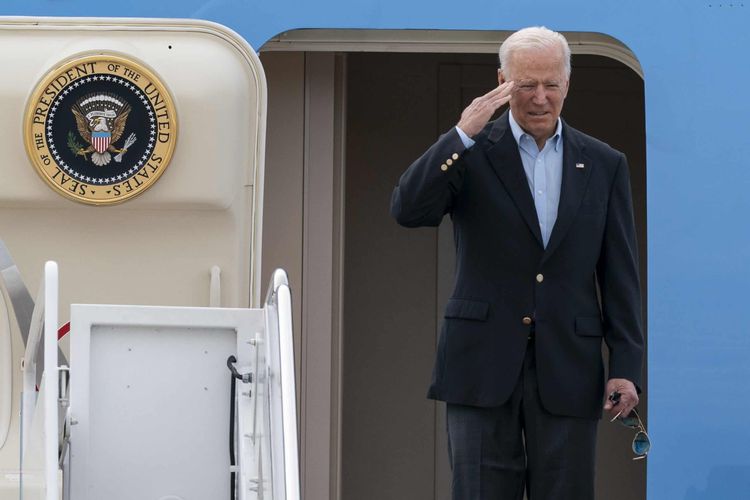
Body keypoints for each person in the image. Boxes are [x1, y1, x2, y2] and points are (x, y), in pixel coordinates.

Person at [390, 26, 644, 500]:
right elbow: (408, 210)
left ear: (568, 83)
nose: (540, 98)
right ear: (503, 80)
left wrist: (626, 364)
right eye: (527, 85)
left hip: (569, 365)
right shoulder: (469, 152)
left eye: (551, 84)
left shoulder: (605, 163)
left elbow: (619, 275)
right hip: (481, 366)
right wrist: (462, 133)